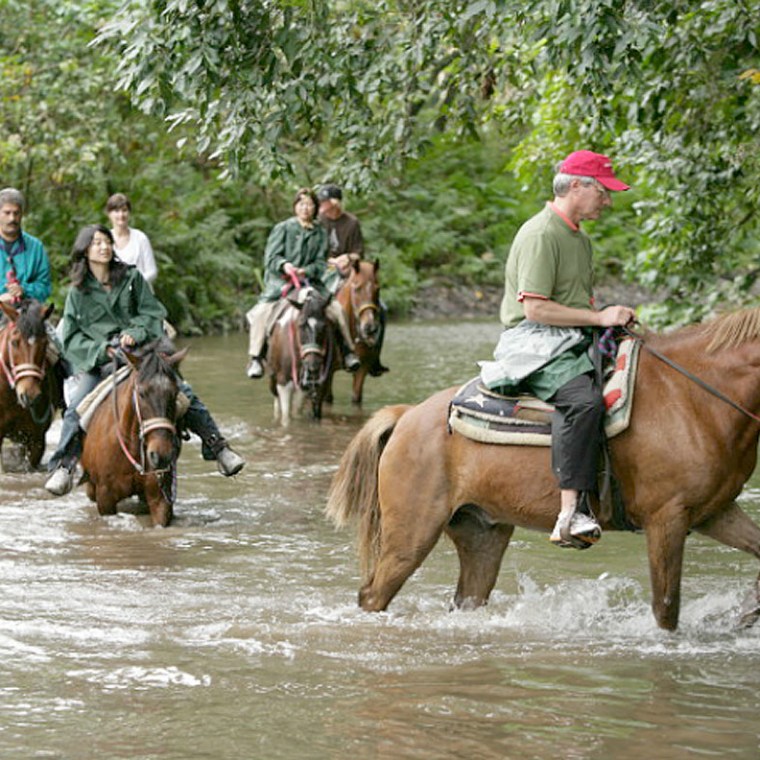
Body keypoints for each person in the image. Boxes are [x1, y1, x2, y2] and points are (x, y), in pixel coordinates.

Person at [481, 150, 636, 549]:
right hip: (534, 341)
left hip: (569, 336)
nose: (608, 201)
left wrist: (609, 320)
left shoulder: (580, 239)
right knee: (584, 401)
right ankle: (570, 512)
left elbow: (576, 302)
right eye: (603, 192)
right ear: (578, 186)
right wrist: (600, 319)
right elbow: (534, 307)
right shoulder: (540, 233)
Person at [45, 224, 244, 495]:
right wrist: (103, 349)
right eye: (96, 243)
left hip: (144, 355)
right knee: (76, 409)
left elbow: (152, 314)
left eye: (106, 242)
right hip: (102, 362)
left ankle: (218, 447)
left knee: (185, 395)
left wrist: (134, 332)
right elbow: (71, 337)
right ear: (84, 251)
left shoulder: (131, 277)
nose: (104, 247)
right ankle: (64, 466)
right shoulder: (77, 293)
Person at [245, 187, 360, 379]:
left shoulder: (320, 233)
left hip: (311, 283)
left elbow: (321, 263)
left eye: (310, 204)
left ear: (315, 208)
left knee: (337, 311)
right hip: (281, 283)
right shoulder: (283, 228)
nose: (306, 208)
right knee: (261, 313)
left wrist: (306, 270)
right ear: (295, 207)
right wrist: (286, 265)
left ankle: (347, 351)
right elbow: (271, 258)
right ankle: (256, 357)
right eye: (301, 204)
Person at [316, 183, 389, 376]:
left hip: (350, 271)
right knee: (318, 305)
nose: (321, 205)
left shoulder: (351, 222)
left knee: (382, 308)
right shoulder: (318, 222)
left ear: (334, 203)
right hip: (324, 270)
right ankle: (319, 352)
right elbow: (314, 252)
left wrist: (347, 258)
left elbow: (359, 252)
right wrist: (329, 261)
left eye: (324, 202)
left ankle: (374, 356)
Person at [0, 187, 52, 307]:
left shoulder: (36, 247)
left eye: (16, 213)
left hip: (26, 314)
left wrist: (24, 290)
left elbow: (45, 287)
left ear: (22, 215)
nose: (12, 218)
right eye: (7, 213)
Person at [105, 193, 158, 286]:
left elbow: (152, 271)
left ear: (129, 213)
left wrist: (133, 283)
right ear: (109, 214)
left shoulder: (140, 238)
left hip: (140, 294)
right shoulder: (105, 240)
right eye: (116, 211)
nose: (121, 215)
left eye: (124, 210)